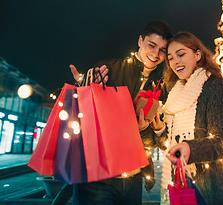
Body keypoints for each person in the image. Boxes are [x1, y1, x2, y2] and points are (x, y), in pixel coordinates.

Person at [69, 21, 173, 205]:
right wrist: (83, 89)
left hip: (134, 178)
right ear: (140, 41)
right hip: (97, 176)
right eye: (152, 45)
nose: (156, 54)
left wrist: (141, 130)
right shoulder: (109, 69)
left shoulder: (161, 86)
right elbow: (83, 118)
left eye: (162, 50)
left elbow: (154, 143)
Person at [159, 31, 223, 205]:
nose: (175, 61)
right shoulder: (175, 95)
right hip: (178, 184)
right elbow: (170, 145)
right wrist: (158, 129)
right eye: (170, 58)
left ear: (198, 54)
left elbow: (222, 142)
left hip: (210, 187)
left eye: (181, 54)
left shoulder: (214, 85)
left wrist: (190, 148)